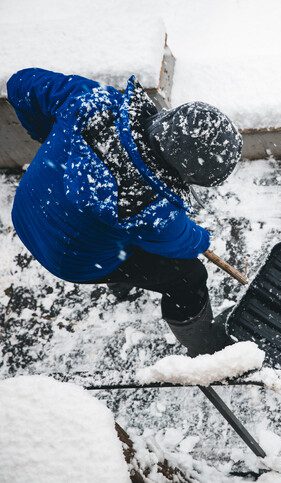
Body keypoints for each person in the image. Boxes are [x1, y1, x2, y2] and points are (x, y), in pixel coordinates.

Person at [7, 68, 243, 356]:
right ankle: (205, 346)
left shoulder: (91, 102)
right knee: (187, 276)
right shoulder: (148, 207)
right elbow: (185, 243)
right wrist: (201, 238)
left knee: (116, 232)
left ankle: (121, 280)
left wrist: (49, 136)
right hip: (69, 258)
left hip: (28, 208)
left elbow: (21, 83)